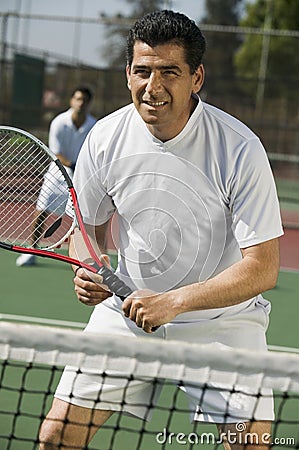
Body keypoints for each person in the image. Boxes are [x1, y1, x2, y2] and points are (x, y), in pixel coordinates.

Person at [39, 10, 283, 450]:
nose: (153, 88)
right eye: (142, 71)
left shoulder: (240, 149)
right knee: (55, 435)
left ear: (197, 78)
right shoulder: (104, 137)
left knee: (253, 445)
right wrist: (87, 265)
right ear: (127, 74)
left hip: (223, 325)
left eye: (169, 71)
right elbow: (86, 229)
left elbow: (262, 269)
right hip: (125, 315)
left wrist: (174, 302)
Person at [16, 86, 97, 267]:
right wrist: (75, 166)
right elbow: (56, 153)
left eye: (84, 100)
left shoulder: (94, 126)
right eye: (77, 99)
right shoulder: (59, 122)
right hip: (57, 176)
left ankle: (87, 258)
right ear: (71, 101)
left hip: (80, 179)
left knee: (85, 220)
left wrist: (84, 170)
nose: (80, 104)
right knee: (41, 211)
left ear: (90, 103)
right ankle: (32, 251)